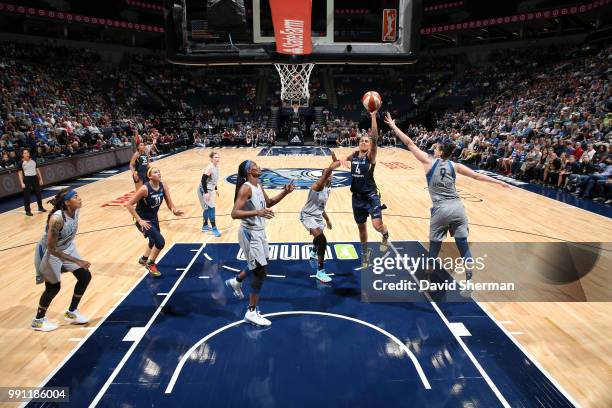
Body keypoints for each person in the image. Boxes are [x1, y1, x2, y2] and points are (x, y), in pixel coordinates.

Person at [385, 113, 511, 280]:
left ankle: (428, 278)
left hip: (441, 209)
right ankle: (469, 272)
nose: (433, 149)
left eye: (436, 147)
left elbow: (409, 143)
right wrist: (499, 182)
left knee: (434, 247)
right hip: (458, 208)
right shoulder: (456, 165)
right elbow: (477, 176)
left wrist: (393, 126)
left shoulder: (428, 162)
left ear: (440, 152)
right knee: (463, 244)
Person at [225, 160, 294, 326]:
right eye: (255, 165)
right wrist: (257, 212)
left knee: (261, 263)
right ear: (249, 170)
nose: (259, 166)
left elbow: (268, 203)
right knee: (260, 271)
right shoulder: (246, 187)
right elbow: (234, 213)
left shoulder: (258, 185)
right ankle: (251, 312)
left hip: (259, 232)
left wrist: (284, 192)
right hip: (249, 233)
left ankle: (237, 280)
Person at [31, 189, 91, 332]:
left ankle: (71, 312)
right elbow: (52, 249)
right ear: (66, 202)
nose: (80, 198)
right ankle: (38, 320)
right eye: (75, 197)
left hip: (67, 247)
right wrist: (78, 261)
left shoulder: (75, 210)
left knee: (84, 276)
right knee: (53, 287)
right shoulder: (57, 219)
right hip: (49, 252)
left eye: (79, 195)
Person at [343, 109, 389, 268]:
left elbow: (375, 137)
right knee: (361, 229)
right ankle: (365, 255)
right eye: (362, 140)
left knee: (376, 226)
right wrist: (340, 161)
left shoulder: (371, 157)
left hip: (370, 196)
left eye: (366, 141)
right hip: (356, 198)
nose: (364, 142)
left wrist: (373, 116)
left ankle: (385, 233)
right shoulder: (354, 155)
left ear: (370, 145)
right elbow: (345, 160)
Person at [125, 167, 184, 277]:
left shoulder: (163, 186)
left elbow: (170, 204)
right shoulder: (144, 189)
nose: (159, 173)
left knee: (153, 240)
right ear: (150, 176)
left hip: (153, 218)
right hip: (143, 219)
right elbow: (128, 204)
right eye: (155, 172)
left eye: (159, 171)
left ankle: (144, 259)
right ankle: (150, 264)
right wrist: (139, 220)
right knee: (160, 242)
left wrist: (174, 210)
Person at [300, 152, 341, 283]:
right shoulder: (316, 186)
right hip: (307, 215)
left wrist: (328, 220)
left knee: (319, 237)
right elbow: (326, 174)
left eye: (331, 175)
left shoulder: (328, 189)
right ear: (324, 176)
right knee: (322, 240)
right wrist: (331, 167)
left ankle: (313, 252)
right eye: (328, 175)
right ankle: (320, 271)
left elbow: (321, 208)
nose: (330, 176)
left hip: (317, 216)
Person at [197, 151, 221, 237]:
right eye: (215, 157)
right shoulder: (210, 167)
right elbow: (203, 180)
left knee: (207, 208)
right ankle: (214, 229)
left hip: (210, 189)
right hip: (204, 189)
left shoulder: (216, 166)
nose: (217, 159)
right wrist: (206, 192)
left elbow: (213, 180)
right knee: (211, 208)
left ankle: (205, 226)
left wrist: (216, 189)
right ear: (211, 159)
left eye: (218, 157)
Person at [18, 149, 46, 216]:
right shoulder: (21, 163)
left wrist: (41, 179)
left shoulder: (33, 160)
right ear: (22, 155)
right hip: (27, 179)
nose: (27, 154)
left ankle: (40, 207)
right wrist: (22, 182)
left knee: (38, 194)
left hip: (35, 178)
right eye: (25, 153)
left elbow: (37, 170)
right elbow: (19, 173)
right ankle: (27, 211)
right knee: (27, 195)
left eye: (27, 152)